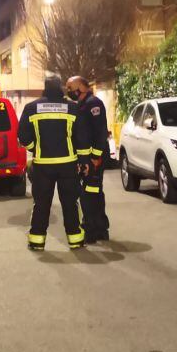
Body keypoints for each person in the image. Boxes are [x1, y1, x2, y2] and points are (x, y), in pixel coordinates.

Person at [17, 75, 91, 251]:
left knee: (41, 204)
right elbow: (81, 137)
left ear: (45, 88)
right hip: (68, 165)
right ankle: (75, 240)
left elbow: (22, 136)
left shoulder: (31, 108)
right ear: (61, 89)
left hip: (42, 166)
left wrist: (35, 148)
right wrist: (84, 161)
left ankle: (37, 241)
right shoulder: (72, 108)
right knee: (70, 204)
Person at [67, 76, 110, 243]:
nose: (69, 92)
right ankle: (100, 229)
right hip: (88, 159)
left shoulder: (94, 104)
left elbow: (100, 132)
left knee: (89, 195)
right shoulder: (83, 105)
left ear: (80, 87)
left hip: (94, 159)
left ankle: (91, 230)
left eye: (70, 88)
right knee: (94, 194)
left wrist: (95, 157)